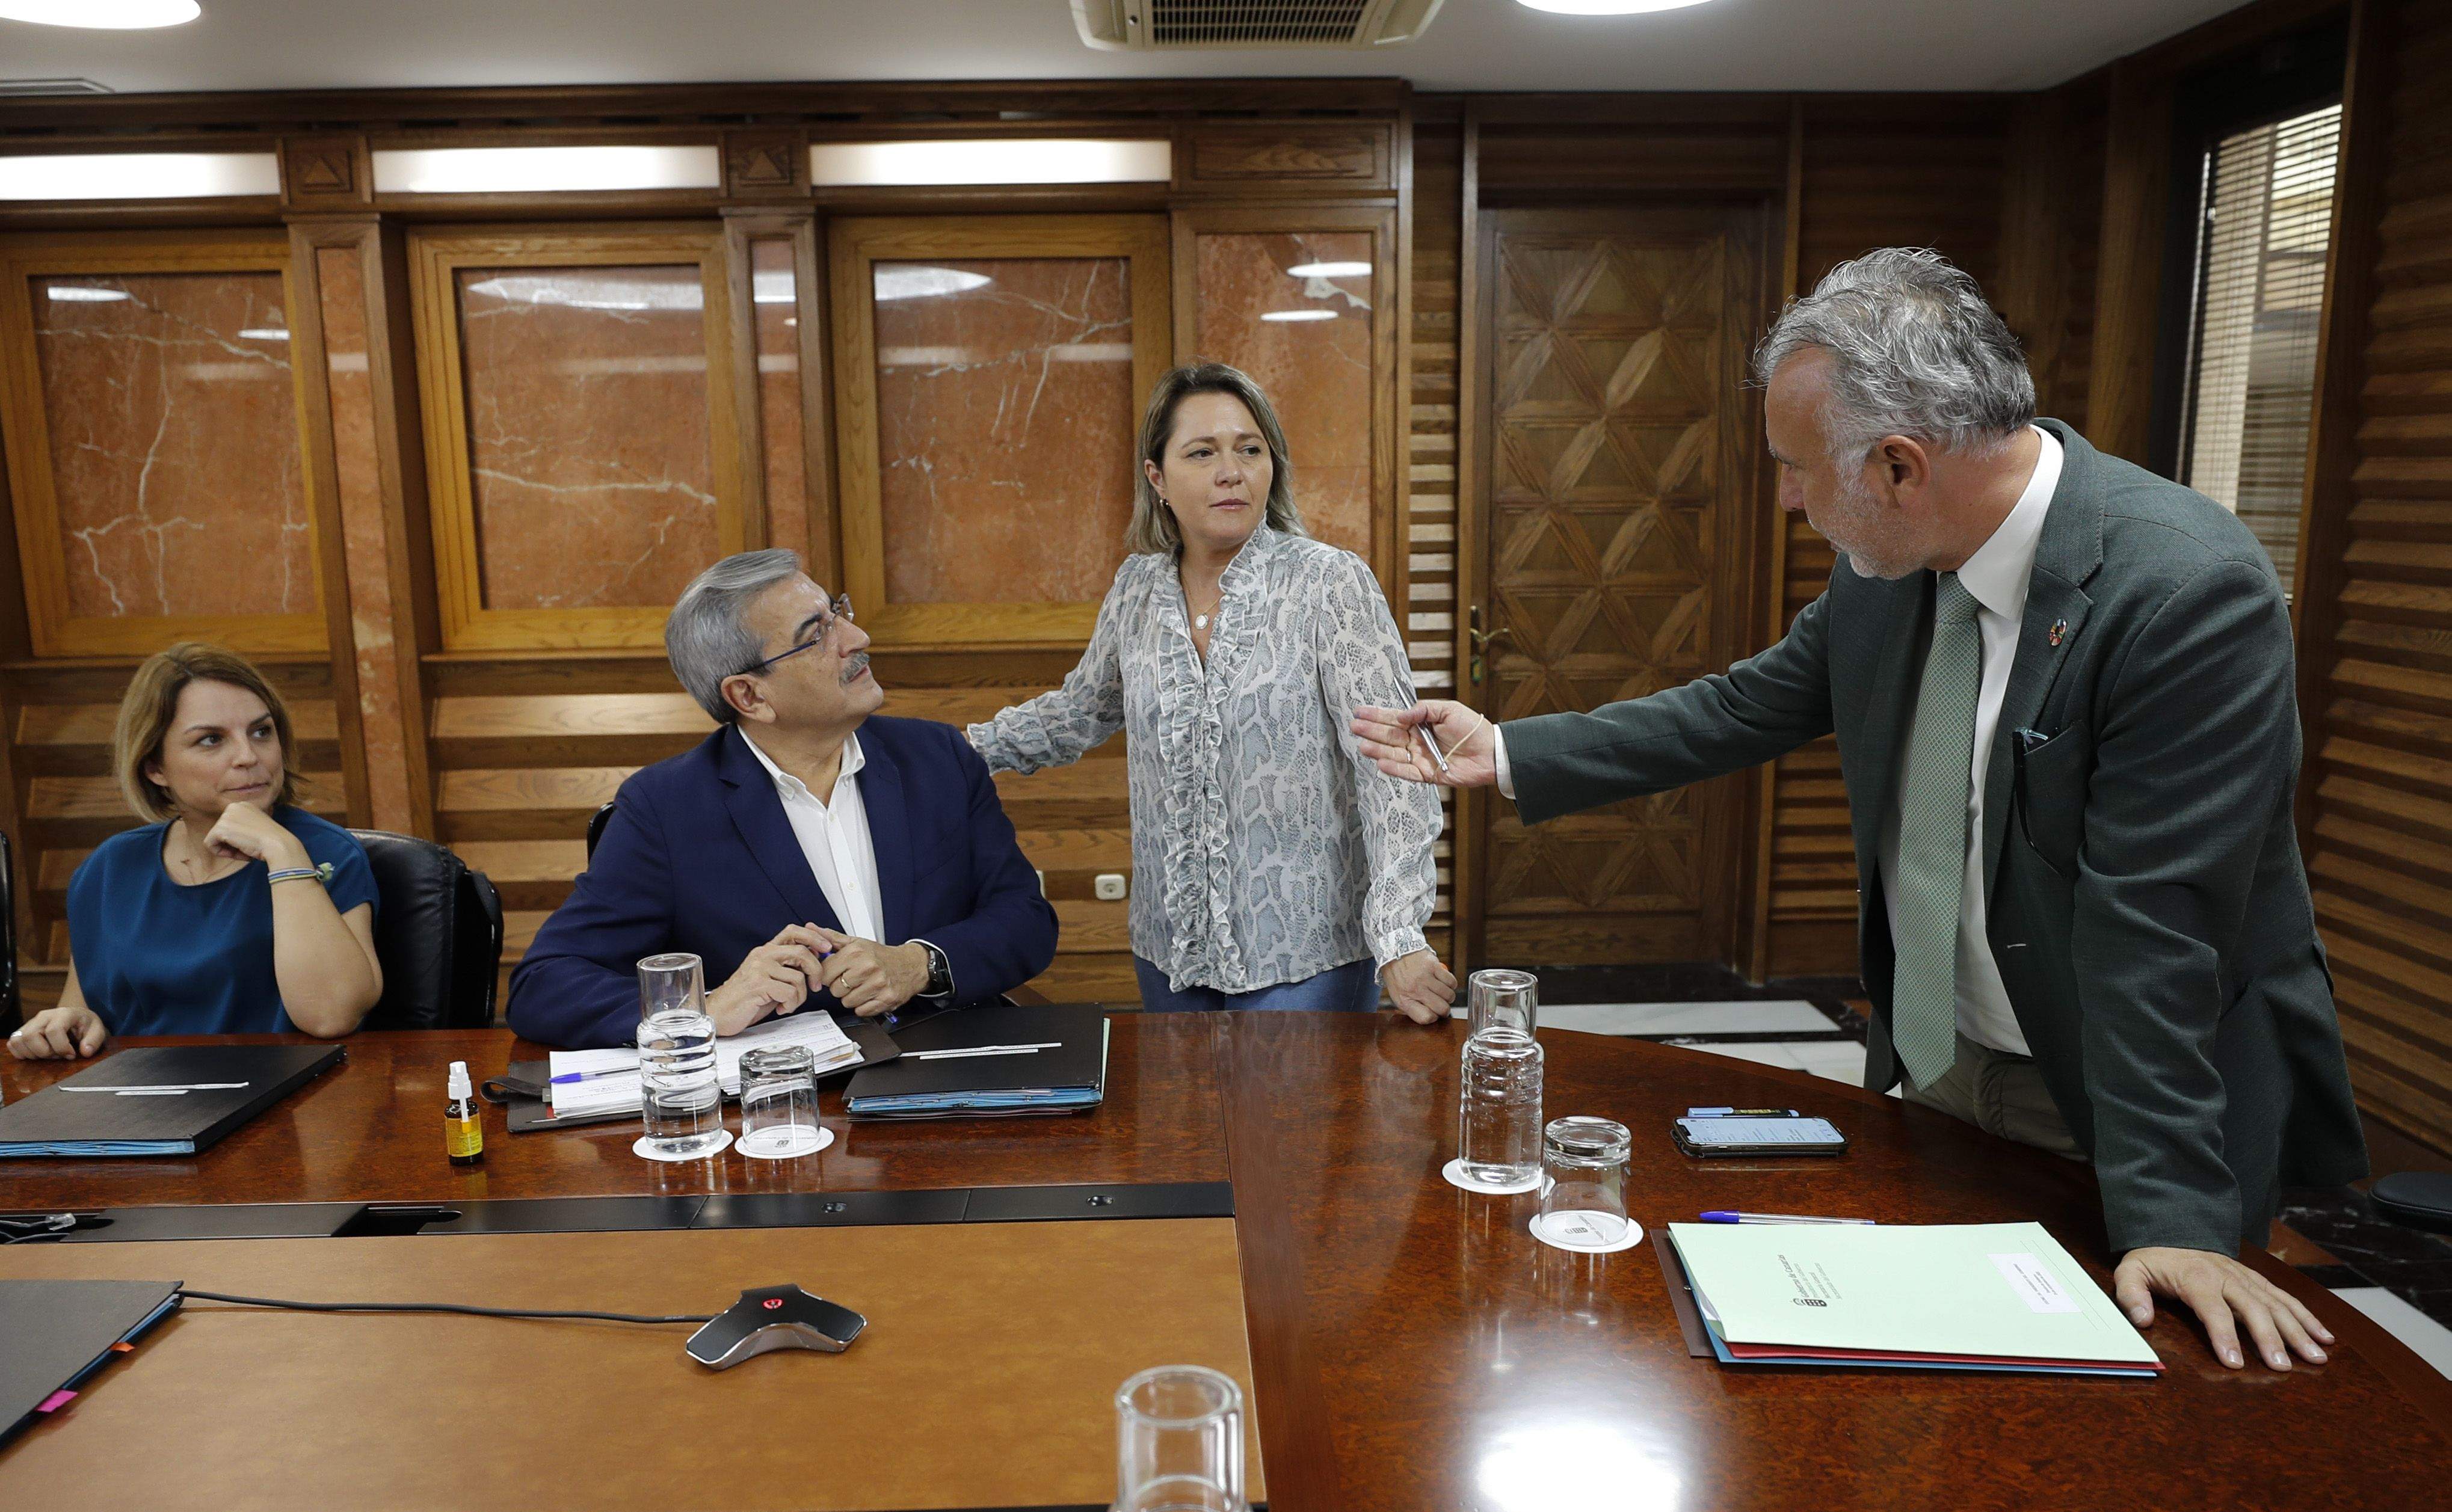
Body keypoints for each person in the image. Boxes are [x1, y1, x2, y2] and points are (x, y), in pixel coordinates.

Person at [1354, 248, 2366, 1374]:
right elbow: (1746, 705)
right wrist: (1503, 749)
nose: (1787, 498)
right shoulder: (1890, 566)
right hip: (1938, 1062)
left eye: (1796, 469)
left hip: (2122, 1103)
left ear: (1897, 464)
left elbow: (2156, 931)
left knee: (2118, 1444)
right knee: (1935, 1405)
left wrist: (2176, 1217)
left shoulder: (2181, 593)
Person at [966, 361, 1452, 1021]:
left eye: (1250, 449)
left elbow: (1394, 767)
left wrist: (1398, 935)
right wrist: (953, 752)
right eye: (1202, 452)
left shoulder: (1328, 584)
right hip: (1170, 949)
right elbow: (1080, 711)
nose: (1232, 471)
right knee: (1181, 1127)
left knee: (1293, 1129)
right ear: (1157, 478)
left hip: (1302, 955)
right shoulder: (1136, 588)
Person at [507, 550, 1058, 1049]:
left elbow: (1025, 918)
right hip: (792, 1116)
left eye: (837, 612)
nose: (857, 636)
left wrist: (920, 964)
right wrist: (702, 1009)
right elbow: (545, 983)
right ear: (749, 695)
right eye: (816, 634)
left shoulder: (938, 759)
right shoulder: (666, 809)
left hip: (959, 1074)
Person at [9, 644, 383, 1058]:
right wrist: (73, 1023)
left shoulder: (326, 852)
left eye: (262, 731)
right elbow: (81, 1008)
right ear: (155, 767)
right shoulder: (110, 868)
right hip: (141, 1107)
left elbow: (332, 1016)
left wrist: (283, 851)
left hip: (283, 1105)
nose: (248, 756)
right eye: (211, 740)